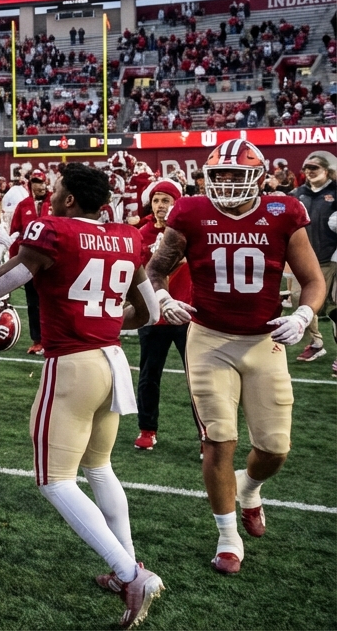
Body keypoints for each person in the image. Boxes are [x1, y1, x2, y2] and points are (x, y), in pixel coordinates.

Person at [0, 162, 164, 627]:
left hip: (73, 365)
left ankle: (129, 574)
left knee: (55, 480)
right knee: (99, 467)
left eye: (56, 188)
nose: (51, 193)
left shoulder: (54, 231)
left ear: (66, 199)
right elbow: (153, 310)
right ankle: (131, 566)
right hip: (112, 359)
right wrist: (104, 321)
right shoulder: (126, 235)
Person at [145, 140, 326, 574]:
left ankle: (248, 488)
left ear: (259, 177)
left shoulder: (284, 213)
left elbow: (313, 279)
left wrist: (303, 314)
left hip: (264, 342)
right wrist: (164, 296)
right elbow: (153, 269)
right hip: (208, 338)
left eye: (234, 175)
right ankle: (228, 537)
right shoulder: (189, 212)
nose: (224, 183)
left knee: (275, 448)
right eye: (218, 175)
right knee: (218, 439)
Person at [132, 179, 190, 451]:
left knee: (199, 378)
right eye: (156, 200)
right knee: (148, 374)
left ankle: (207, 433)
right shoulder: (141, 233)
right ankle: (147, 429)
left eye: (166, 200)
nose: (160, 206)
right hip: (154, 315)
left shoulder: (190, 230)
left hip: (187, 312)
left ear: (176, 202)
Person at [292, 151, 337, 365]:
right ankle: (317, 343)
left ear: (327, 170)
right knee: (303, 301)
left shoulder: (336, 192)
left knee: (333, 306)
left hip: (332, 259)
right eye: (307, 169)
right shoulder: (298, 193)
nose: (309, 172)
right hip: (305, 259)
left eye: (314, 168)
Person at [9, 171, 51, 355]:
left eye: (42, 182)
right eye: (36, 182)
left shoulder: (54, 202)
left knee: (54, 301)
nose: (39, 186)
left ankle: (54, 337)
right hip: (29, 262)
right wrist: (13, 260)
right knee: (33, 302)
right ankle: (37, 340)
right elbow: (15, 232)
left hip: (52, 260)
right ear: (30, 184)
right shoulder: (23, 205)